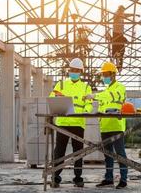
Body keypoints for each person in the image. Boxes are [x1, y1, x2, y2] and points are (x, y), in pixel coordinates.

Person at [49, 58, 93, 188]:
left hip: (78, 123)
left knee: (78, 151)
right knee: (59, 151)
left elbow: (89, 104)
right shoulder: (61, 85)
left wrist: (84, 111)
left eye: (76, 71)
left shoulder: (86, 87)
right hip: (63, 122)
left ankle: (78, 178)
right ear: (69, 71)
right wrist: (56, 97)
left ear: (80, 72)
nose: (74, 72)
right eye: (72, 70)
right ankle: (55, 176)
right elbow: (52, 98)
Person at [85, 62, 128, 189]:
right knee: (107, 154)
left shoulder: (120, 88)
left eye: (106, 74)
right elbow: (104, 102)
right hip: (105, 126)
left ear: (113, 75)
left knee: (120, 154)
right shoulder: (106, 90)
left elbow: (110, 96)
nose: (104, 77)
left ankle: (123, 179)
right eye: (103, 75)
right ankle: (109, 178)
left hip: (116, 126)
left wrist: (94, 95)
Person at [112, 5, 139, 72]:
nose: (123, 12)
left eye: (123, 10)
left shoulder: (122, 14)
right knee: (117, 47)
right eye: (122, 10)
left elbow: (126, 15)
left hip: (120, 34)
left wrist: (134, 14)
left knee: (121, 49)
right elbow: (115, 17)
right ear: (119, 9)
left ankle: (119, 64)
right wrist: (118, 14)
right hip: (116, 33)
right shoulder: (116, 13)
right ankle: (117, 61)